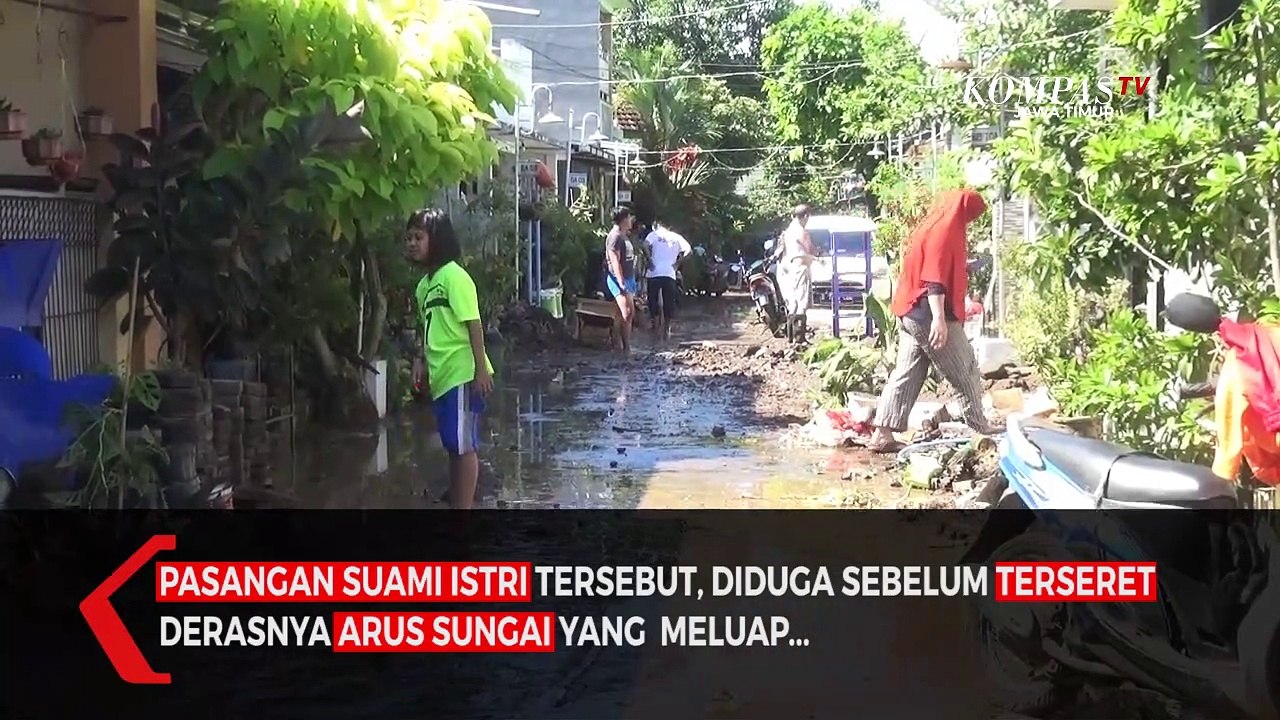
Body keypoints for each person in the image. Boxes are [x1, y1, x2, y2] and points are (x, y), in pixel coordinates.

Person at [868, 188, 1000, 453]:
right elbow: (934, 279)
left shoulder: (931, 226)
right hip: (930, 314)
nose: (969, 222)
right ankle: (979, 427)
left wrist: (964, 267)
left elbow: (935, 268)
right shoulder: (946, 232)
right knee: (965, 370)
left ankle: (882, 434)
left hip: (912, 312)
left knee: (906, 374)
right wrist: (939, 319)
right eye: (970, 217)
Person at [406, 209, 494, 508]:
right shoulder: (423, 287)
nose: (412, 243)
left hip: (462, 372)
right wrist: (420, 360)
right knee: (453, 446)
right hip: (441, 375)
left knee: (464, 446)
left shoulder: (455, 277)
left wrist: (481, 370)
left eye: (419, 237)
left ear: (437, 239)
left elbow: (474, 324)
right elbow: (427, 327)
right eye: (409, 238)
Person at [776, 204, 818, 345]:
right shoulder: (801, 231)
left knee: (792, 302)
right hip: (801, 267)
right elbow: (809, 250)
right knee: (802, 301)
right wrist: (816, 256)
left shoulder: (788, 231)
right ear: (805, 216)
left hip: (790, 268)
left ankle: (791, 337)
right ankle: (799, 338)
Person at [645, 221, 692, 341]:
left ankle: (656, 328)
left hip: (654, 272)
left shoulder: (654, 234)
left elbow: (644, 245)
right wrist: (677, 263)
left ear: (658, 225)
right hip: (670, 273)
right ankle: (667, 329)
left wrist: (650, 260)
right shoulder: (677, 237)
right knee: (669, 302)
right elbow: (689, 251)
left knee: (653, 301)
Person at [603, 206, 637, 353]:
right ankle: (626, 348)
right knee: (627, 313)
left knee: (621, 314)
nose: (631, 221)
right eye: (629, 218)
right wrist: (621, 281)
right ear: (623, 219)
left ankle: (617, 345)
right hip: (619, 279)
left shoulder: (623, 235)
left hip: (628, 277)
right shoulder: (615, 236)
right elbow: (613, 259)